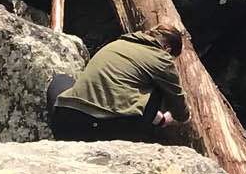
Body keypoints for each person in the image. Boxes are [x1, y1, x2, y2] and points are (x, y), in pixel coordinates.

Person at [52, 25, 187, 141]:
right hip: (107, 129)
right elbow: (179, 109)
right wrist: (178, 117)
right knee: (159, 89)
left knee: (61, 80)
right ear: (168, 50)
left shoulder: (117, 44)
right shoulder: (162, 58)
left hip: (67, 121)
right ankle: (141, 138)